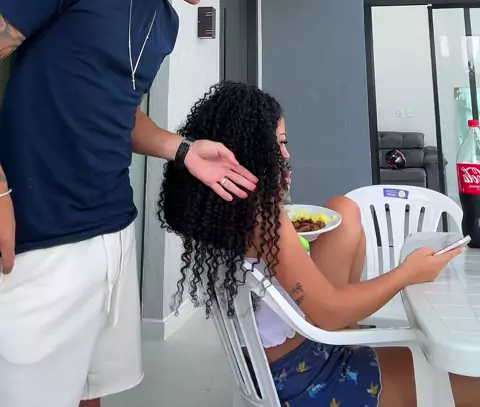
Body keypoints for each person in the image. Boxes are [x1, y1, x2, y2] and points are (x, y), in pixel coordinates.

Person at [0, 0, 258, 407]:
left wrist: (183, 149)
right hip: (40, 237)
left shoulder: (165, 23)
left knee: (91, 391)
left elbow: (120, 113)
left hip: (115, 229)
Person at [159, 81, 479, 407]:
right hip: (311, 382)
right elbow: (329, 312)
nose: (286, 155)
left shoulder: (222, 214)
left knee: (343, 207)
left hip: (272, 373)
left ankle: (352, 336)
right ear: (251, 150)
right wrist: (407, 273)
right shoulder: (262, 217)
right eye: (278, 144)